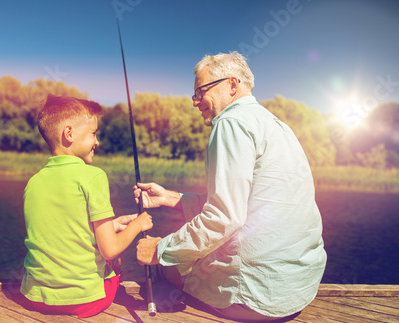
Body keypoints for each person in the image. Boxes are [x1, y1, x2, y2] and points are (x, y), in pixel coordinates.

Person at [134, 52, 327, 321]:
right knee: (191, 251)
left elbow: (223, 218)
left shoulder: (230, 123)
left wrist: (159, 250)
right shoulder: (277, 126)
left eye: (201, 91)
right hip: (299, 289)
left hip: (257, 298)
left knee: (170, 266)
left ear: (232, 85)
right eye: (194, 95)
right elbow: (250, 204)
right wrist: (171, 197)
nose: (195, 102)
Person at [21, 95, 152, 318]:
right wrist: (138, 225)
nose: (97, 141)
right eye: (93, 133)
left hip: (35, 297)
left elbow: (62, 229)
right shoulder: (93, 176)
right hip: (85, 302)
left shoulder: (33, 182)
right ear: (69, 133)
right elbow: (110, 249)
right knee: (113, 259)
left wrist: (111, 224)